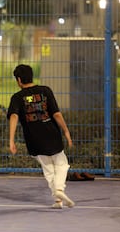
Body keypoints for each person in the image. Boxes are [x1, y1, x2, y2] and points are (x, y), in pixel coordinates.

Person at [7, 64, 75, 209]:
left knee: (48, 169)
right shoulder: (45, 91)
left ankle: (58, 200)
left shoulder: (17, 97)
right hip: (52, 135)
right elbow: (56, 114)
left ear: (19, 80)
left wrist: (11, 140)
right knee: (61, 164)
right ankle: (59, 189)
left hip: (34, 139)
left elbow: (13, 116)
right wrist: (66, 131)